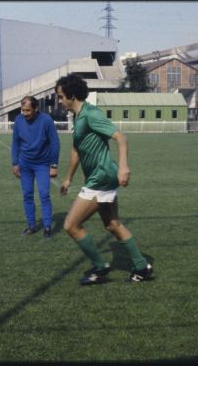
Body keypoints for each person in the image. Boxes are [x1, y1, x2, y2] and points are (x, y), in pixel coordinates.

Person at [54, 74, 153, 284]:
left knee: (71, 225)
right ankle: (141, 267)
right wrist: (68, 179)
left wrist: (124, 165)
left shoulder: (91, 114)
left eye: (61, 96)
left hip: (101, 177)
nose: (59, 101)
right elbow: (76, 150)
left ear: (71, 95)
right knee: (112, 224)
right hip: (101, 177)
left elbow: (120, 137)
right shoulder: (78, 117)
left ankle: (100, 267)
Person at [11, 96, 60, 238]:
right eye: (23, 110)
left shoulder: (46, 120)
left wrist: (54, 165)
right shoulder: (19, 121)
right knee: (27, 195)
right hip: (24, 164)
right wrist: (15, 163)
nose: (25, 113)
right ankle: (31, 226)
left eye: (28, 110)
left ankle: (47, 227)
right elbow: (15, 143)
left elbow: (55, 143)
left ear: (36, 108)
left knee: (44, 195)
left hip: (42, 164)